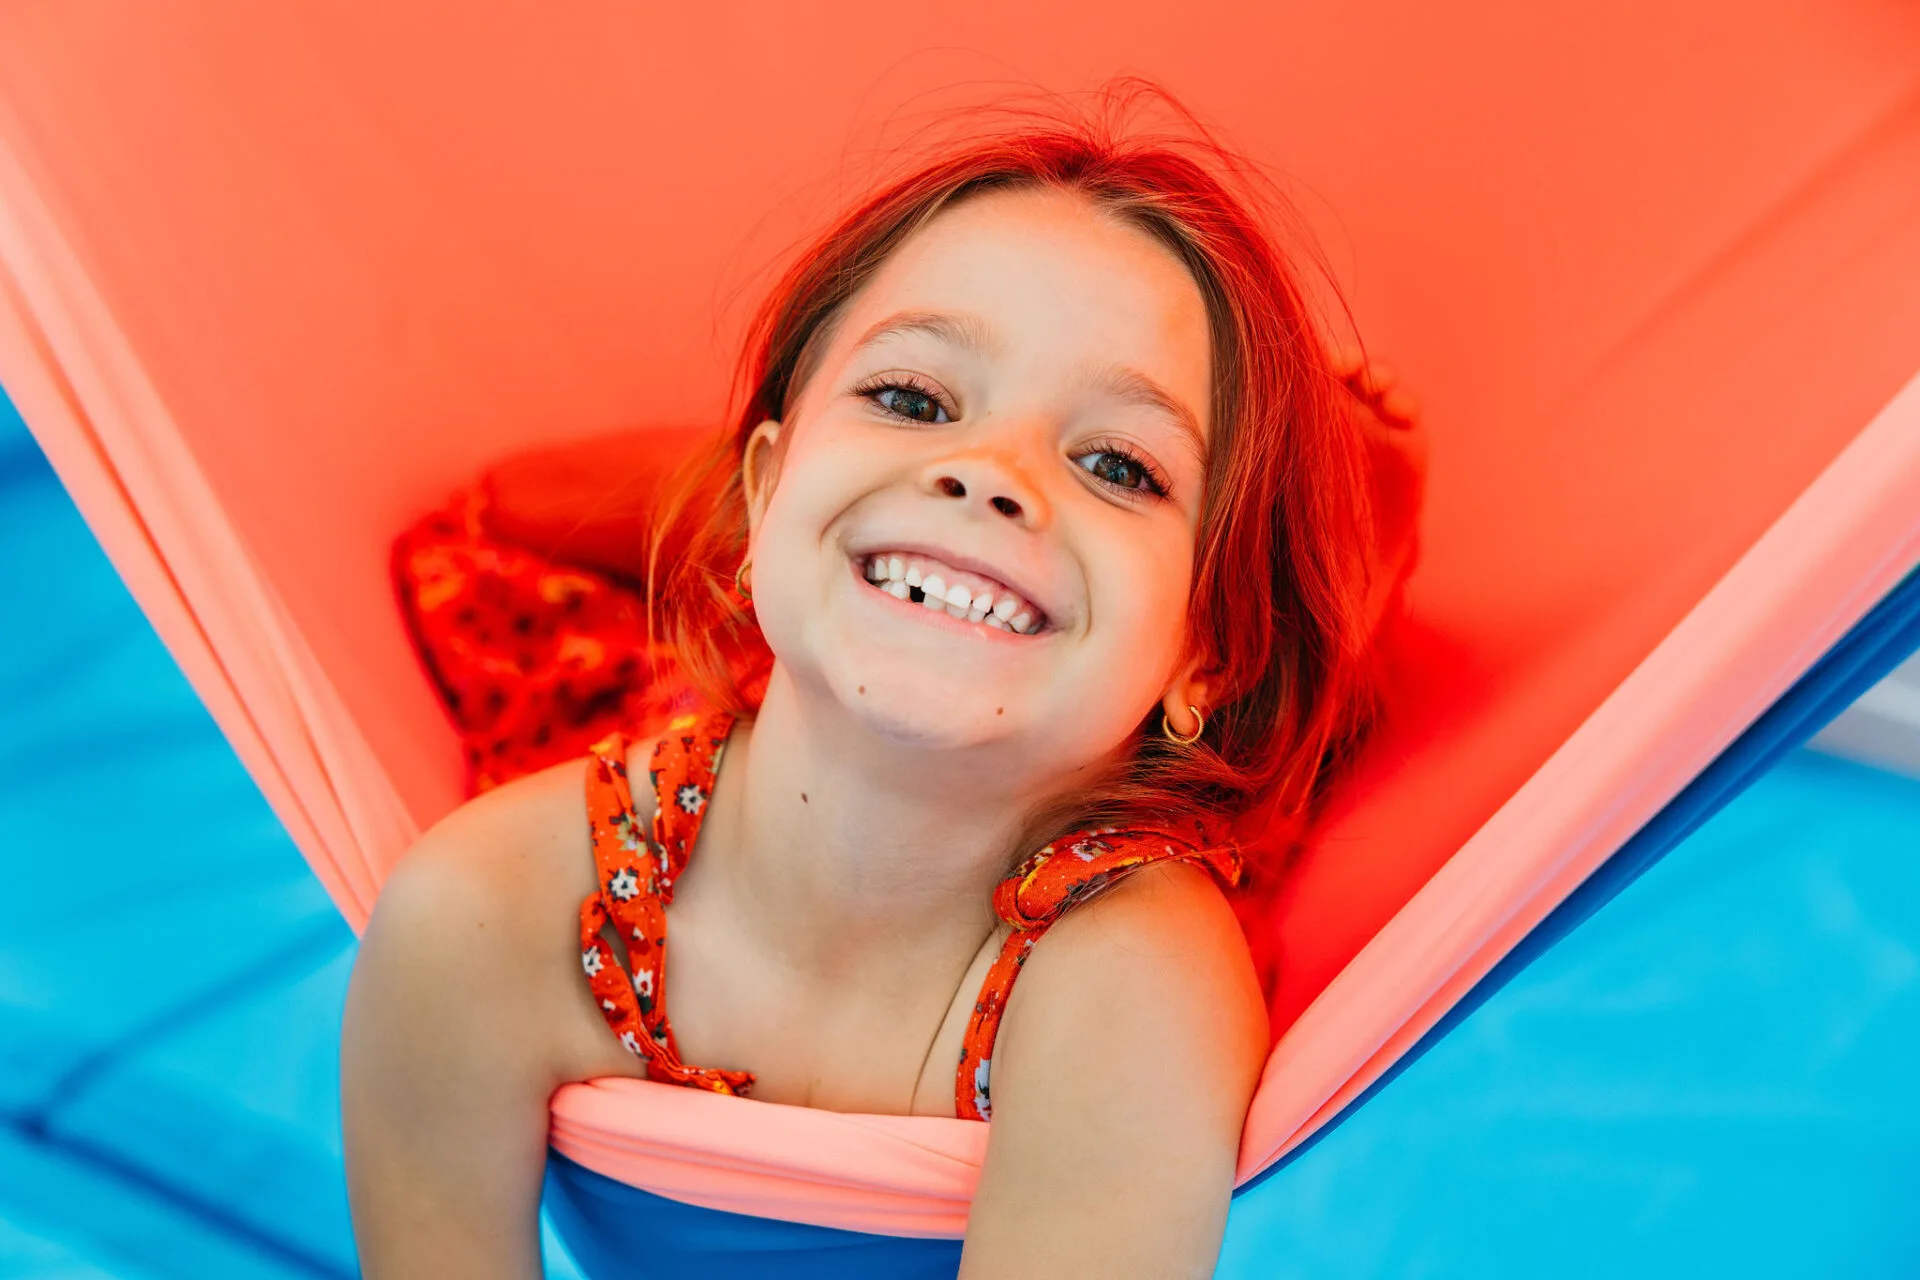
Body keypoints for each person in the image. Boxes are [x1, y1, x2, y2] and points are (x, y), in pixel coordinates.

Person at [341, 85, 1423, 1279]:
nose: (990, 471)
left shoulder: (1131, 987)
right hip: (819, 655)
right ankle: (739, 488)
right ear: (758, 495)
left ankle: (1332, 602)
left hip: (1110, 791)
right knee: (486, 548)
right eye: (913, 398)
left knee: (1260, 798)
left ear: (1198, 649)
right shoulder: (487, 909)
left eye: (1118, 463)